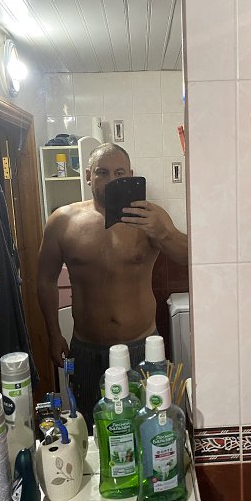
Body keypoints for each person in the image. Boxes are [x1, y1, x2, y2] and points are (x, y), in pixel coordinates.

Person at [37, 143, 188, 431]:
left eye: (119, 173)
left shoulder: (151, 217)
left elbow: (189, 257)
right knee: (94, 430)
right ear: (88, 176)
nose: (110, 179)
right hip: (88, 350)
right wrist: (53, 334)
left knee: (149, 428)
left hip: (143, 349)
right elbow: (45, 279)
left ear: (130, 175)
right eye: (102, 172)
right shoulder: (62, 221)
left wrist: (163, 232)